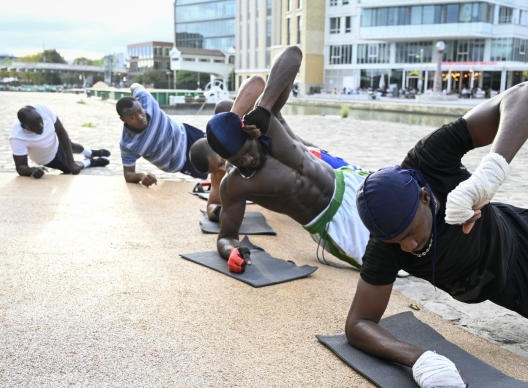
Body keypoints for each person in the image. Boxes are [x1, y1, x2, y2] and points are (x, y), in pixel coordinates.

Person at [345, 81, 528, 388]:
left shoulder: (429, 160)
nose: (407, 247)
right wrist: (416, 357)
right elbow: (358, 324)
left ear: (425, 197)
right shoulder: (385, 246)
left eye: (410, 234)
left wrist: (488, 175)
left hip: (525, 229)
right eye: (396, 242)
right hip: (519, 287)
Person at [199, 46, 375, 273]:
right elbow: (226, 237)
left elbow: (293, 54)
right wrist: (231, 251)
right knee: (394, 258)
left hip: (348, 183)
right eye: (238, 160)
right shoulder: (235, 184)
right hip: (333, 224)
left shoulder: (269, 123)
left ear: (249, 132)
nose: (248, 160)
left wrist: (264, 107)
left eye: (248, 151)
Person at [190, 85, 361, 223]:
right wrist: (220, 212)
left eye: (220, 163)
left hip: (317, 161)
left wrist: (231, 126)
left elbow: (257, 83)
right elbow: (212, 204)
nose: (222, 168)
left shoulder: (250, 129)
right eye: (216, 169)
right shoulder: (222, 175)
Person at [116, 83, 207, 187]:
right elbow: (128, 173)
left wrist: (132, 87)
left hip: (187, 134)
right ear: (123, 119)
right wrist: (141, 176)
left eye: (140, 111)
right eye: (133, 117)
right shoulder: (127, 144)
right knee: (215, 169)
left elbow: (135, 85)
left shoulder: (145, 98)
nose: (140, 117)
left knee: (222, 152)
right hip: (183, 161)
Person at [9, 104, 110, 179]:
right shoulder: (17, 137)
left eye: (40, 122)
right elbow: (20, 167)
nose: (40, 127)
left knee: (72, 146)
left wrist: (71, 161)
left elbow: (61, 132)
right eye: (34, 127)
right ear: (23, 127)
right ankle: (91, 162)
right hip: (49, 158)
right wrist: (32, 170)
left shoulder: (43, 109)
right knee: (70, 169)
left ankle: (91, 152)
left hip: (56, 141)